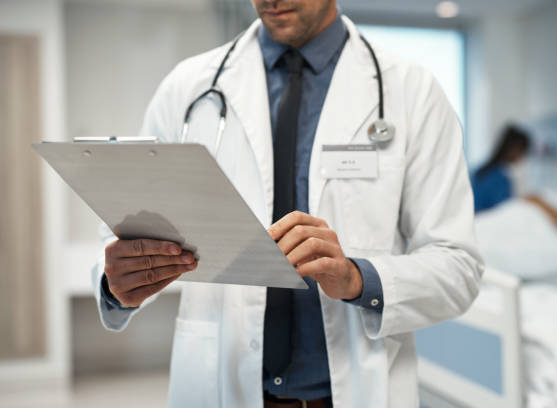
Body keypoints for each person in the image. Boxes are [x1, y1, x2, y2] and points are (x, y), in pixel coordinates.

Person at [92, 1, 483, 407]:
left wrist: (357, 278)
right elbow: (124, 231)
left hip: (352, 391)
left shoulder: (412, 92)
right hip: (221, 387)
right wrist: (116, 282)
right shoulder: (188, 87)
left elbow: (459, 267)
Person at [471, 125, 531, 212]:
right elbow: (504, 213)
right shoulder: (500, 180)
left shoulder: (479, 171)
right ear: (513, 148)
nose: (522, 157)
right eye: (522, 152)